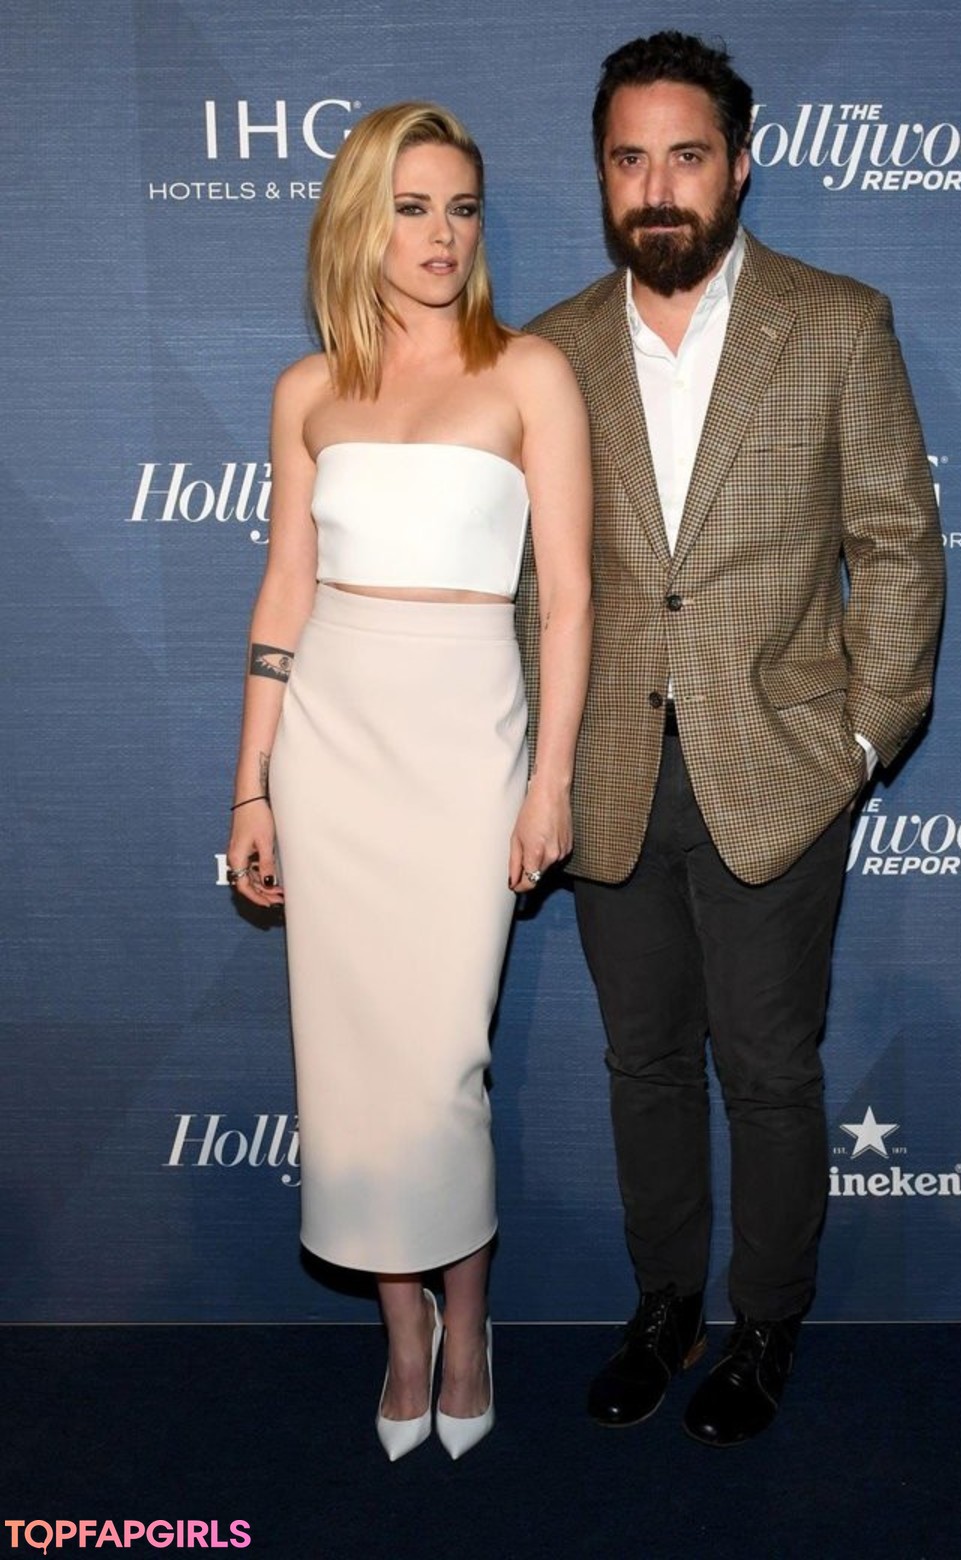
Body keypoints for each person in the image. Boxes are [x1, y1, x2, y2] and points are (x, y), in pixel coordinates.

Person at [518, 31, 944, 1447]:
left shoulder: (836, 323)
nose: (658, 187)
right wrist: (533, 762)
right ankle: (665, 1307)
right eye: (629, 159)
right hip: (606, 774)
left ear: (741, 165)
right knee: (641, 1064)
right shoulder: (550, 350)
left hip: (781, 771)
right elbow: (527, 583)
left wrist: (861, 746)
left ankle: (766, 1321)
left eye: (686, 156)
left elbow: (898, 548)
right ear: (602, 174)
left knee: (768, 1068)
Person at [226, 101, 592, 1462]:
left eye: (462, 207)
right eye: (411, 206)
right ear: (358, 221)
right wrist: (252, 787)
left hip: (466, 740)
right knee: (350, 1060)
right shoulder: (307, 391)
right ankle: (402, 1333)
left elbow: (570, 601)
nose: (442, 235)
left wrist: (549, 779)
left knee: (442, 1059)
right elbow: (285, 588)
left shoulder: (530, 374)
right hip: (331, 741)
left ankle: (471, 1317)